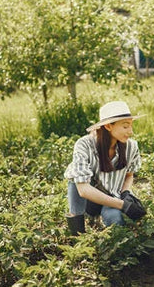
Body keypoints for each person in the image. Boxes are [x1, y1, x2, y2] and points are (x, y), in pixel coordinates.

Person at [64, 101, 146, 236]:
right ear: (108, 126)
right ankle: (77, 237)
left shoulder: (131, 147)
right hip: (87, 200)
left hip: (112, 197)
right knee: (75, 179)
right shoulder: (84, 145)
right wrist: (123, 205)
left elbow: (129, 175)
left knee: (115, 221)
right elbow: (83, 190)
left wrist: (125, 193)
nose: (130, 132)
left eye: (131, 126)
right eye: (125, 126)